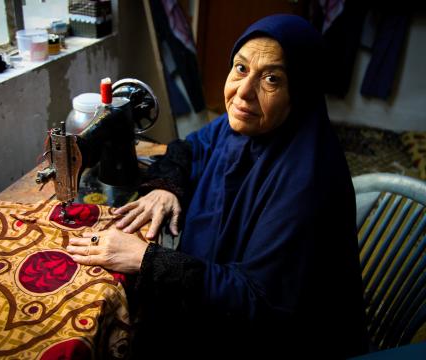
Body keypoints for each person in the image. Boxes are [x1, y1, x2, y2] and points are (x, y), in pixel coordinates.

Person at [67, 14, 369, 359]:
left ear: (299, 92)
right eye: (240, 69)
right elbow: (190, 148)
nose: (243, 93)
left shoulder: (308, 180)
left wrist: (146, 259)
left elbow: (259, 301)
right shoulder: (238, 129)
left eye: (271, 79)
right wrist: (167, 187)